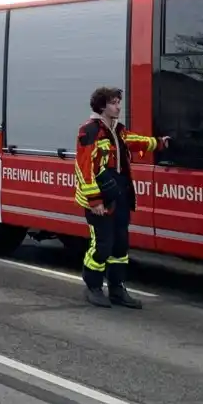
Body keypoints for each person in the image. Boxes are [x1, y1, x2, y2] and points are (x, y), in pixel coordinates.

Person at [74, 86, 169, 309]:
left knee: (120, 245)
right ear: (102, 106)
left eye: (118, 102)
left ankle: (117, 288)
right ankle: (93, 287)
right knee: (102, 245)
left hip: (120, 196)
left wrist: (159, 142)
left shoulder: (118, 130)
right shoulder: (89, 131)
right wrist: (95, 201)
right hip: (100, 200)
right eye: (114, 102)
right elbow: (84, 167)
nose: (118, 106)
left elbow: (137, 141)